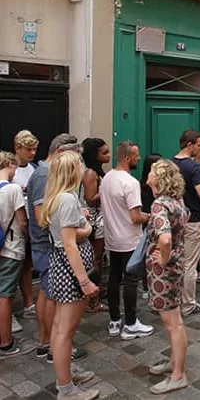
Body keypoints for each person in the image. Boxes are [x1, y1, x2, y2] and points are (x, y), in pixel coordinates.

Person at [40, 151, 99, 400]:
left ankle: (65, 375)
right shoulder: (66, 200)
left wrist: (81, 223)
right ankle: (66, 389)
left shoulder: (58, 198)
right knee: (65, 330)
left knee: (60, 327)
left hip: (63, 267)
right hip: (70, 270)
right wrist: (84, 280)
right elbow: (69, 243)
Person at [26, 133, 87, 362]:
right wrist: (76, 224)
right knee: (51, 296)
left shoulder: (44, 173)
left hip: (48, 244)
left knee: (47, 292)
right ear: (61, 153)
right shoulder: (44, 175)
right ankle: (52, 344)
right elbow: (42, 217)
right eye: (75, 159)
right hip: (47, 246)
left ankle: (49, 342)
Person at [144, 160, 190, 394]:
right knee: (176, 320)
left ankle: (178, 374)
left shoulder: (159, 205)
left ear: (159, 178)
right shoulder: (177, 202)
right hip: (177, 266)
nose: (147, 178)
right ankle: (174, 361)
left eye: (151, 173)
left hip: (165, 271)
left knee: (173, 324)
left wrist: (162, 258)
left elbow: (164, 239)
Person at [100, 141, 153, 339]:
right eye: (137, 156)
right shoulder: (130, 183)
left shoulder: (107, 178)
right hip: (130, 239)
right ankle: (131, 323)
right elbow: (135, 217)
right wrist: (151, 215)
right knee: (131, 280)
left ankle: (114, 320)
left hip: (112, 237)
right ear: (128, 158)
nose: (139, 158)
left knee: (114, 278)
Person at [173, 129, 200, 317]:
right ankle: (188, 304)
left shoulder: (170, 164)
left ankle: (175, 297)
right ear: (190, 145)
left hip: (174, 219)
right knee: (190, 264)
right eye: (199, 145)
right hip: (193, 218)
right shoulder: (193, 167)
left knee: (178, 261)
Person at [0, 152, 28, 357]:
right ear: (9, 164)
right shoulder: (13, 189)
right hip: (11, 246)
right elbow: (23, 221)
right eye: (15, 168)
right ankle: (6, 341)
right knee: (5, 295)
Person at [81, 138, 111, 313]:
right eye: (104, 152)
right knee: (96, 259)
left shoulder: (97, 171)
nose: (108, 155)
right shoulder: (91, 173)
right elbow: (90, 199)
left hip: (100, 219)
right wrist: (106, 190)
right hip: (95, 221)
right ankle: (93, 299)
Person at [12, 130, 38, 321]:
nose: (32, 154)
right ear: (17, 148)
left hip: (31, 222)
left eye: (34, 149)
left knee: (27, 264)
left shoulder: (35, 168)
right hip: (13, 225)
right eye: (28, 149)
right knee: (12, 265)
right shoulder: (9, 169)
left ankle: (29, 302)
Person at [140, 153, 162, 298]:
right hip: (152, 223)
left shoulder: (141, 185)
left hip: (147, 223)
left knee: (147, 254)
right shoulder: (153, 188)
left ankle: (146, 286)